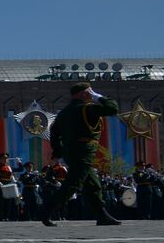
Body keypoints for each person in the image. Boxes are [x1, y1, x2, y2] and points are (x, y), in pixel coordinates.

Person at [41, 83, 121, 227]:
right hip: (84, 151)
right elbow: (113, 108)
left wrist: (58, 151)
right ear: (83, 93)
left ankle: (102, 215)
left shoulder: (64, 112)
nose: (91, 94)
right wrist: (99, 97)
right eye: (88, 92)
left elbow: (54, 132)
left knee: (92, 184)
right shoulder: (87, 108)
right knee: (73, 183)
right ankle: (47, 210)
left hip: (70, 152)